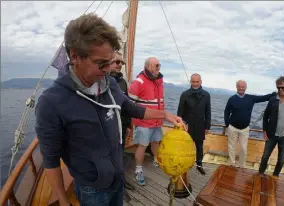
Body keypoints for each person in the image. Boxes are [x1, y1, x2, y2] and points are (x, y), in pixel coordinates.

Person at [35, 13, 185, 206]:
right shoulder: (52, 102)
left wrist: (165, 115)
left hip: (117, 178)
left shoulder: (109, 85)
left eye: (110, 61)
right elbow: (51, 159)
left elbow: (131, 108)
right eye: (101, 63)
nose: (108, 69)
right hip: (92, 189)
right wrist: (63, 201)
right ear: (75, 56)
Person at [128, 57, 164, 186]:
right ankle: (138, 171)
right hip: (143, 123)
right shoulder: (138, 82)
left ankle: (156, 159)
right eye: (157, 66)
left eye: (159, 65)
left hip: (157, 122)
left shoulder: (159, 82)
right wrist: (130, 124)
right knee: (142, 146)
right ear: (149, 66)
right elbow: (129, 105)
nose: (159, 68)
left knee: (156, 142)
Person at [224, 80, 276, 168]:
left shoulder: (250, 98)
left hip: (244, 129)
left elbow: (262, 98)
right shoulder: (232, 99)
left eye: (243, 87)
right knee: (231, 146)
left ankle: (242, 165)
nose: (241, 88)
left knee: (243, 148)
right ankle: (232, 163)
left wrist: (273, 94)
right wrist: (227, 124)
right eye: (239, 86)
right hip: (232, 127)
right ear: (237, 87)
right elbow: (226, 111)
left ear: (245, 87)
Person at [109, 51, 135, 192]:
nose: (120, 65)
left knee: (120, 154)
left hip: (122, 126)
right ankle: (115, 186)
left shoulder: (123, 82)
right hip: (109, 127)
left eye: (122, 63)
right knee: (111, 157)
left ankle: (121, 182)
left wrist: (130, 123)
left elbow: (127, 105)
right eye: (117, 62)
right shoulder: (102, 81)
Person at [177, 73, 211, 175]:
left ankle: (199, 165)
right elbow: (180, 112)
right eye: (193, 81)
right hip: (187, 125)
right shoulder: (184, 94)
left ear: (201, 82)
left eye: (197, 81)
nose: (195, 84)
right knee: (185, 146)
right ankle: (183, 163)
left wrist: (207, 126)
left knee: (199, 146)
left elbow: (208, 111)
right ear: (190, 82)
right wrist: (180, 124)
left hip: (200, 124)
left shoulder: (206, 95)